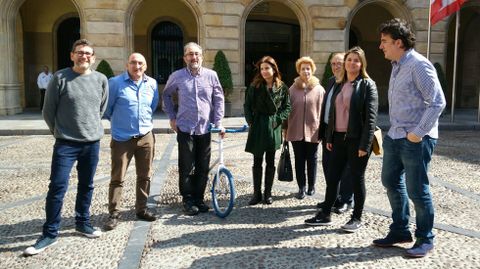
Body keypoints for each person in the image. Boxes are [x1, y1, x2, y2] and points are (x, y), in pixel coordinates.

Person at [24, 39, 108, 256]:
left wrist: (89, 128)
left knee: (87, 185)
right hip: (66, 144)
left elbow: (101, 108)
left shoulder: (101, 79)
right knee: (57, 187)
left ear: (93, 57)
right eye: (80, 52)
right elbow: (47, 111)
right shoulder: (60, 77)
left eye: (88, 53)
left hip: (91, 143)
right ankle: (50, 233)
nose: (84, 56)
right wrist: (60, 132)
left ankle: (82, 223)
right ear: (72, 55)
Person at [373, 18, 446, 258]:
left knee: (417, 190)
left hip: (416, 138)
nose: (381, 46)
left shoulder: (418, 65)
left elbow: (437, 102)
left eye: (384, 41)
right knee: (390, 181)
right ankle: (400, 230)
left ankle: (425, 238)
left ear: (399, 42)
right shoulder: (397, 65)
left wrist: (418, 133)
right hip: (395, 135)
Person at [305, 46, 378, 233]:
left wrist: (365, 144)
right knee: (332, 177)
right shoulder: (339, 83)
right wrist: (329, 136)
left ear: (362, 64)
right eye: (349, 59)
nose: (351, 63)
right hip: (337, 138)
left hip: (356, 140)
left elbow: (370, 119)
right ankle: (325, 214)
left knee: (356, 178)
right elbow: (332, 111)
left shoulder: (367, 85)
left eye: (356, 60)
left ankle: (356, 217)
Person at [163, 42, 225, 216]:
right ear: (185, 58)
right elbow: (166, 94)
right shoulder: (177, 76)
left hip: (204, 128)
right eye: (190, 54)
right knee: (186, 166)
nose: (194, 57)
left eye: (197, 54)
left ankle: (199, 198)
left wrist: (218, 121)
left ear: (202, 56)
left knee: (203, 166)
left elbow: (219, 99)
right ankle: (188, 199)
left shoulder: (211, 76)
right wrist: (172, 117)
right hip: (185, 128)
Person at [103, 53, 159, 231]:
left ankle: (141, 209)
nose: (137, 66)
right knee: (117, 178)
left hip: (145, 137)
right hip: (122, 139)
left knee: (145, 176)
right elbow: (107, 109)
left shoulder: (152, 84)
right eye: (133, 63)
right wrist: (120, 124)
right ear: (127, 65)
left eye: (140, 63)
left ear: (146, 66)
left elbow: (152, 106)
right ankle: (114, 213)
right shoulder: (115, 83)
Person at [244, 56, 291, 205]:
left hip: (273, 125)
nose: (264, 71)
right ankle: (256, 194)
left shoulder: (282, 87)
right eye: (262, 68)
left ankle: (268, 193)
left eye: (267, 68)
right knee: (257, 160)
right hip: (258, 124)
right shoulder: (255, 86)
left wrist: (278, 119)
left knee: (270, 160)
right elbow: (247, 105)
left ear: (274, 69)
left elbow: (287, 107)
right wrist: (251, 121)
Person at [317, 52, 355, 214]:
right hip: (328, 131)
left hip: (343, 133)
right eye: (333, 64)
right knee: (328, 167)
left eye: (339, 63)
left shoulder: (350, 84)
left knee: (346, 169)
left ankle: (346, 199)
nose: (335, 66)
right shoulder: (331, 81)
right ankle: (332, 197)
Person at [285, 56, 325, 199]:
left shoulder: (320, 90)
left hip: (313, 131)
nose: (306, 71)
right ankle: (301, 187)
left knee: (312, 159)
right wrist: (285, 129)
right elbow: (286, 111)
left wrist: (323, 131)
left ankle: (312, 186)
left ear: (312, 70)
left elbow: (324, 112)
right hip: (295, 130)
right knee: (299, 160)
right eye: (303, 69)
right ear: (299, 71)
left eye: (308, 68)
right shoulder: (292, 89)